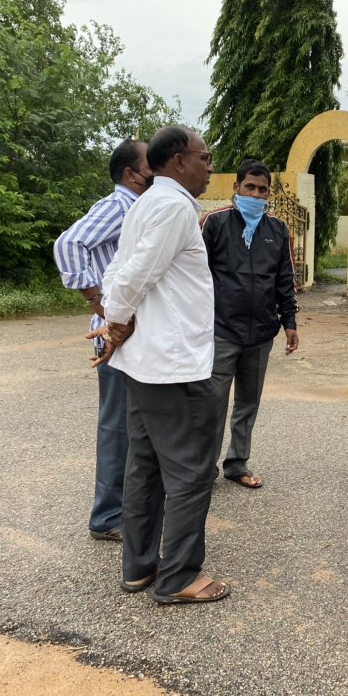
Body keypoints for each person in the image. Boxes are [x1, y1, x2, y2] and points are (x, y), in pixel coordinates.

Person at [91, 125, 229, 604]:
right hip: (173, 366)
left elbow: (116, 272)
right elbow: (134, 275)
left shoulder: (148, 202)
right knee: (191, 472)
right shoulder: (171, 206)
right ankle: (178, 578)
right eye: (204, 157)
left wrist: (117, 319)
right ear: (178, 162)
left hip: (147, 364)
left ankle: (139, 567)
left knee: (144, 467)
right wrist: (117, 321)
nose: (210, 167)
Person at [52, 139, 151, 542]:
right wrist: (99, 303)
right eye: (150, 164)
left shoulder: (142, 208)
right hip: (116, 337)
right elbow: (68, 244)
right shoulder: (118, 207)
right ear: (130, 174)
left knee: (134, 426)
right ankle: (108, 516)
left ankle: (126, 508)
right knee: (116, 427)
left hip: (135, 335)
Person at [201, 159, 299, 489]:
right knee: (212, 402)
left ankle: (236, 462)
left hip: (260, 333)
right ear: (236, 188)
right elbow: (194, 275)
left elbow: (286, 278)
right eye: (250, 188)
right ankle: (204, 468)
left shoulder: (278, 229)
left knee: (248, 401)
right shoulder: (213, 223)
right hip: (220, 330)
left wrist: (290, 322)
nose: (256, 195)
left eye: (262, 190)